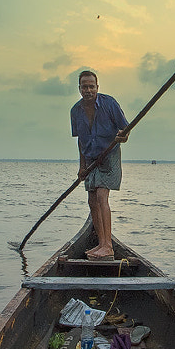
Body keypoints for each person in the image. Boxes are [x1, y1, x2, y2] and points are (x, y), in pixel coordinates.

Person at [70, 69, 128, 260]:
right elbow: (80, 142)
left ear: (97, 87)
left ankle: (108, 246)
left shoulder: (109, 103)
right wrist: (82, 167)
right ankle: (100, 244)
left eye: (91, 86)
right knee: (92, 200)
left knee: (102, 196)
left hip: (108, 155)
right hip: (90, 159)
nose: (88, 90)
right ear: (79, 89)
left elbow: (125, 130)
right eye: (84, 87)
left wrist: (122, 137)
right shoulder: (75, 111)